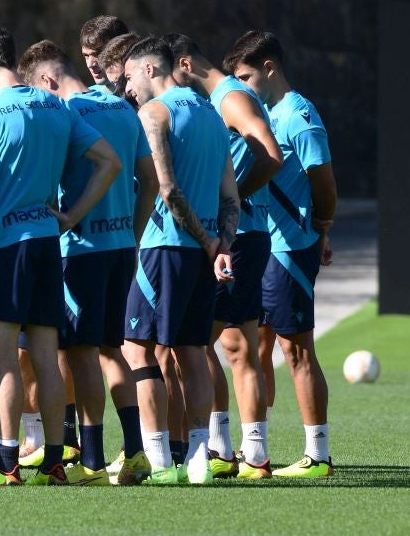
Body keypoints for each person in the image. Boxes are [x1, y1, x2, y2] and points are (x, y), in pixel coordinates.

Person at [0, 25, 121, 487]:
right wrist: (71, 215)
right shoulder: (55, 107)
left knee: (5, 358)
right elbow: (109, 161)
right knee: (47, 357)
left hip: (5, 248)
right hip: (48, 242)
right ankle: (53, 461)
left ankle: (7, 463)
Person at [18, 39, 155, 486]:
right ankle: (134, 452)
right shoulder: (121, 108)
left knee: (79, 355)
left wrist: (70, 217)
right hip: (119, 247)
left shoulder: (65, 114)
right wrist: (131, 236)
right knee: (112, 350)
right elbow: (150, 181)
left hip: (79, 250)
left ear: (47, 80)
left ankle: (92, 461)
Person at [120, 36, 239, 485]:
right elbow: (232, 197)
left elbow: (167, 190)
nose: (127, 85)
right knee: (192, 350)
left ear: (151, 70)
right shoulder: (212, 114)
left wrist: (208, 241)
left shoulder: (155, 114)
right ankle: (198, 458)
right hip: (203, 253)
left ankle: (158, 461)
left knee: (137, 348)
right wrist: (219, 245)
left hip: (164, 248)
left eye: (130, 75)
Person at [166, 33, 283, 480]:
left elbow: (270, 155)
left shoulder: (230, 97)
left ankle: (229, 450)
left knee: (199, 344)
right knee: (234, 347)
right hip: (245, 237)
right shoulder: (223, 97)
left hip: (241, 238)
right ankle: (247, 453)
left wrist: (230, 203)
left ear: (183, 63)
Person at [226, 30, 337, 479]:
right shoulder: (265, 113)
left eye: (246, 76)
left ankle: (318, 455)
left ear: (269, 68)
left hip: (290, 247)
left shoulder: (298, 116)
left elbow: (324, 184)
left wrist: (322, 228)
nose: (241, 86)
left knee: (297, 350)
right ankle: (257, 450)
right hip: (263, 245)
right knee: (259, 344)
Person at [79, 16, 130, 90]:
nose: (90, 64)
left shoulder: (149, 94)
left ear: (123, 49)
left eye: (97, 54)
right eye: (86, 56)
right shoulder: (86, 98)